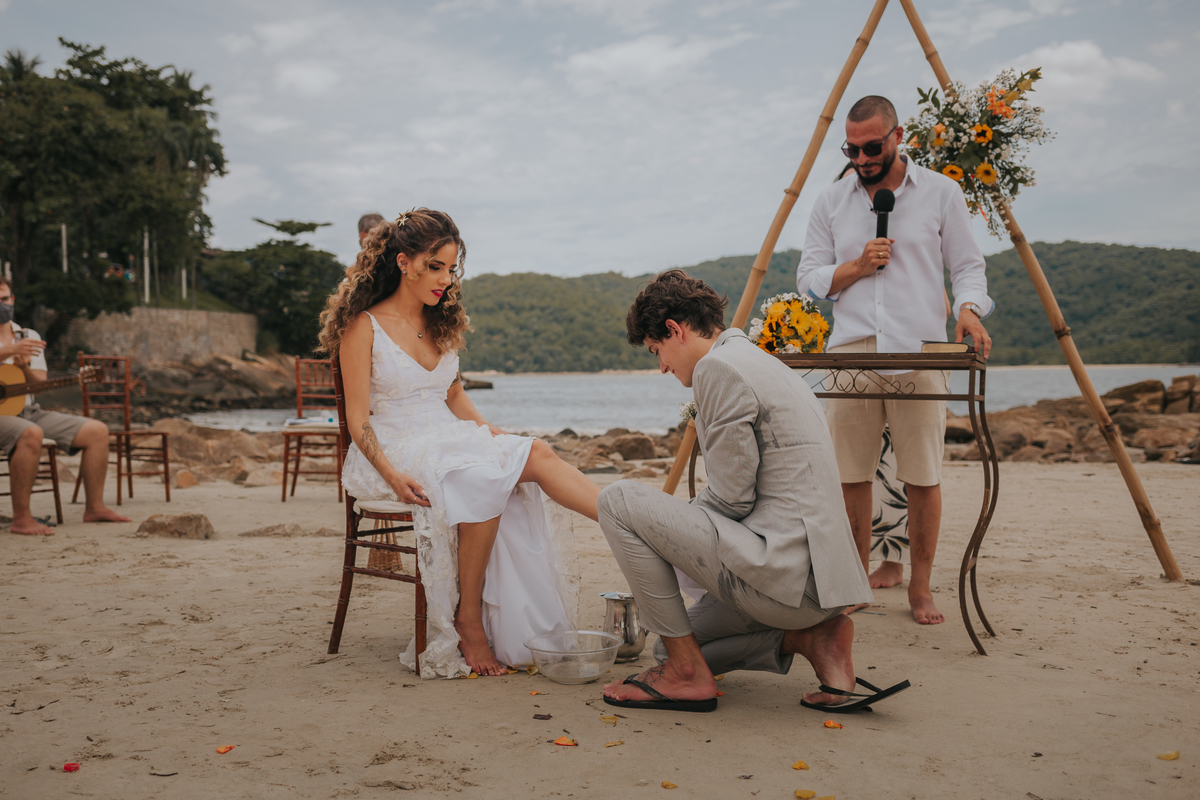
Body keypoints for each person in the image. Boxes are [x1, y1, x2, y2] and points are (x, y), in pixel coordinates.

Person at [598, 270, 907, 714]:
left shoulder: (718, 368)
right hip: (826, 587)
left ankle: (685, 674)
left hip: (788, 578)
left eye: (655, 350)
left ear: (675, 330)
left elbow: (732, 499)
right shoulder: (765, 362)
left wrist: (668, 537)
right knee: (670, 646)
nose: (662, 366)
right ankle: (811, 639)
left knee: (617, 501)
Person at [318, 208, 601, 679]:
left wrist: (491, 431)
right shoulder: (363, 326)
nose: (446, 280)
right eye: (436, 267)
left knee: (534, 451)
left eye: (451, 269)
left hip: (447, 436)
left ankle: (630, 522)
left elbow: (453, 396)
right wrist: (391, 475)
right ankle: (468, 619)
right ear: (403, 262)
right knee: (485, 476)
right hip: (392, 447)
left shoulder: (440, 322)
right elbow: (357, 419)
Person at [797, 95, 995, 625]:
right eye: (852, 149)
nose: (862, 158)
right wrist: (857, 266)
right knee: (849, 475)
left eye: (871, 147)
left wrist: (970, 310)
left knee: (923, 476)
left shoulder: (941, 192)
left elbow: (968, 267)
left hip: (919, 349)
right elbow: (809, 280)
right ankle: (854, 580)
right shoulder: (830, 201)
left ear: (898, 135)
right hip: (851, 353)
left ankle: (921, 587)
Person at [0, 278, 131, 535]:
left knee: (97, 431)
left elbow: (38, 385)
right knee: (31, 433)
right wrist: (9, 351)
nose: (1, 305)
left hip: (28, 410)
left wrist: (23, 367)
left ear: (12, 300)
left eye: (4, 299)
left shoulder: (28, 337)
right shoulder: (18, 343)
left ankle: (94, 508)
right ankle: (22, 518)